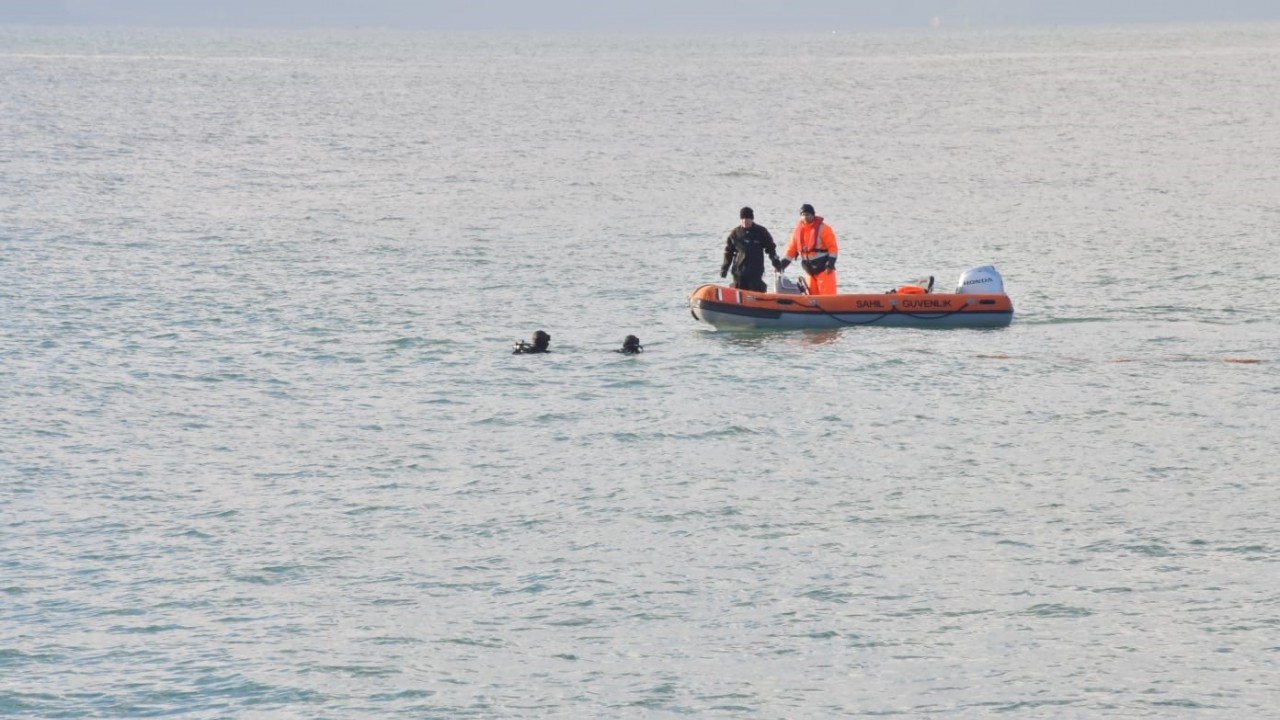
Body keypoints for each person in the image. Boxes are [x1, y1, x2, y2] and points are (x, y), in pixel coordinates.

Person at [779, 203, 839, 295]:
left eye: (807, 214)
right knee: (811, 299)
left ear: (813, 215)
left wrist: (830, 264)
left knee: (828, 298)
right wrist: (782, 265)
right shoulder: (796, 232)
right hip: (809, 272)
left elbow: (833, 248)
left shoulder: (824, 229)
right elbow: (791, 251)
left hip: (824, 271)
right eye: (803, 215)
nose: (805, 217)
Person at [720, 206, 782, 293]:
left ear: (752, 219)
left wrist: (775, 262)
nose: (745, 221)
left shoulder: (761, 232)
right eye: (742, 219)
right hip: (739, 271)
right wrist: (724, 268)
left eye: (747, 218)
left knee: (756, 290)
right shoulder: (735, 233)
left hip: (755, 271)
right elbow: (728, 252)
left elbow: (771, 248)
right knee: (737, 290)